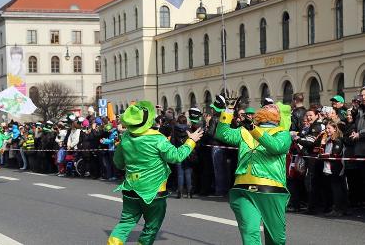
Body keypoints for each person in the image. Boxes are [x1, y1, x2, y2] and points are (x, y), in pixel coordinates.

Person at [107, 101, 203, 245]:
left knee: (125, 223)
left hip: (130, 189)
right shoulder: (157, 138)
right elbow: (176, 156)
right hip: (154, 191)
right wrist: (191, 141)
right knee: (151, 226)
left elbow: (119, 163)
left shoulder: (125, 137)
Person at [215, 97, 292, 245]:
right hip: (243, 190)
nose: (268, 107)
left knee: (276, 240)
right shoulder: (245, 130)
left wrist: (253, 129)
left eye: (273, 107)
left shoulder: (282, 133)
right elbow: (223, 134)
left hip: (271, 190)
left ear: (279, 116)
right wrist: (228, 110)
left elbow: (276, 147)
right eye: (267, 106)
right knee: (249, 234)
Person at [319, 121, 347, 217]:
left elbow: (335, 154)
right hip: (328, 167)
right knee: (332, 188)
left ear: (335, 129)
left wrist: (322, 156)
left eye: (329, 128)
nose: (327, 130)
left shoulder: (338, 140)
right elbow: (324, 151)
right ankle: (335, 207)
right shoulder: (328, 139)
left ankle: (339, 209)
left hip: (337, 167)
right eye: (326, 128)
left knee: (337, 188)